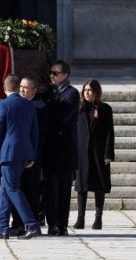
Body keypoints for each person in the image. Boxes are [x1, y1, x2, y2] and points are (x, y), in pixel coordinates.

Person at [0, 74, 41, 240]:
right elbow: (35, 131)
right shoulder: (28, 105)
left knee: (12, 189)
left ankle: (32, 225)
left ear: (5, 88)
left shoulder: (2, 105)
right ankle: (2, 227)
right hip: (24, 152)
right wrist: (32, 154)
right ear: (18, 87)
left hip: (9, 153)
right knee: (6, 190)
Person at [41, 60, 79, 236]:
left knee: (63, 191)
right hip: (49, 150)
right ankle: (52, 224)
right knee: (50, 190)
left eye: (55, 73)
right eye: (51, 73)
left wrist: (50, 101)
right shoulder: (49, 93)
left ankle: (62, 225)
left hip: (64, 151)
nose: (51, 76)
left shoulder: (72, 93)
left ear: (65, 75)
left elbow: (63, 117)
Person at [73, 79, 115, 230]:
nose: (87, 93)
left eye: (90, 90)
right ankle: (80, 218)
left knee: (99, 185)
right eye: (85, 90)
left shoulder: (105, 109)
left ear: (96, 92)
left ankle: (98, 218)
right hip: (82, 153)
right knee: (81, 186)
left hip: (98, 152)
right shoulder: (79, 108)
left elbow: (110, 132)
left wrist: (108, 153)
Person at [10, 76, 48, 235]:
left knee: (31, 190)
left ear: (34, 90)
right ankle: (17, 223)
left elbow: (40, 135)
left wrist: (32, 156)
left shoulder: (39, 106)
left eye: (26, 87)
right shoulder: (17, 103)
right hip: (17, 156)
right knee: (17, 188)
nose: (22, 90)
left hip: (32, 157)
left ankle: (32, 224)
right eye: (21, 87)